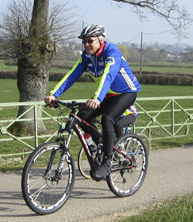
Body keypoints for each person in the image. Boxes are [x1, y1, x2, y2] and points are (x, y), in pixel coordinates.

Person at [44, 24, 141, 181]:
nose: (86, 44)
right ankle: (102, 143)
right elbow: (72, 75)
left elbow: (108, 76)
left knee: (108, 119)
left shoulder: (112, 52)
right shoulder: (87, 56)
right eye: (84, 42)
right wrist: (53, 94)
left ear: (100, 40)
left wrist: (97, 98)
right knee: (82, 116)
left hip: (126, 92)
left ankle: (107, 163)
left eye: (90, 41)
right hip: (107, 95)